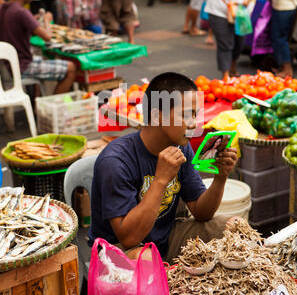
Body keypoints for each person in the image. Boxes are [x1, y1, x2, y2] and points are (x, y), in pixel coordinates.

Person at [89, 72, 238, 264]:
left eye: (195, 114)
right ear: (157, 116)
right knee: (145, 259)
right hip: (117, 252)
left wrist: (220, 177)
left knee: (234, 226)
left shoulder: (180, 146)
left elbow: (202, 213)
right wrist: (160, 181)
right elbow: (129, 239)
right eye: (185, 115)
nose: (194, 123)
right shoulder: (116, 161)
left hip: (165, 241)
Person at [0, 0, 76, 94]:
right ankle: (51, 109)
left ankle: (37, 105)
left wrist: (34, 20)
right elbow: (47, 36)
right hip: (22, 66)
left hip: (9, 65)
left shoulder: (3, 8)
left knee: (41, 59)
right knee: (71, 68)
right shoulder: (21, 12)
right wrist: (47, 20)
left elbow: (18, 26)